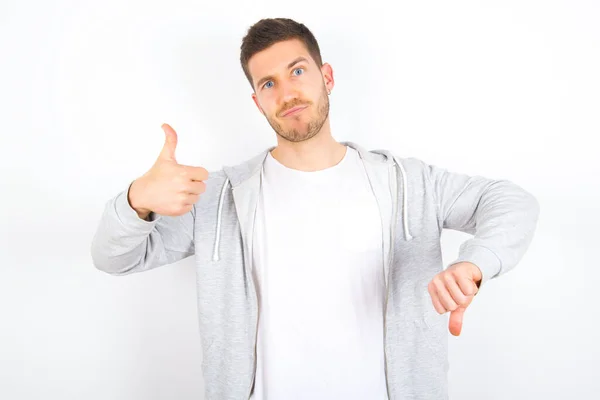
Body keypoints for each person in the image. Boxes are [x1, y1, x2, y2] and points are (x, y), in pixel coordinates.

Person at [91, 17, 540, 400]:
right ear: (257, 101)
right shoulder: (220, 198)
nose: (287, 92)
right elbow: (114, 258)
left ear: (326, 76)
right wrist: (137, 202)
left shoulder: (407, 183)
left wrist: (475, 264)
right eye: (269, 83)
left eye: (298, 71)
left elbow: (511, 201)